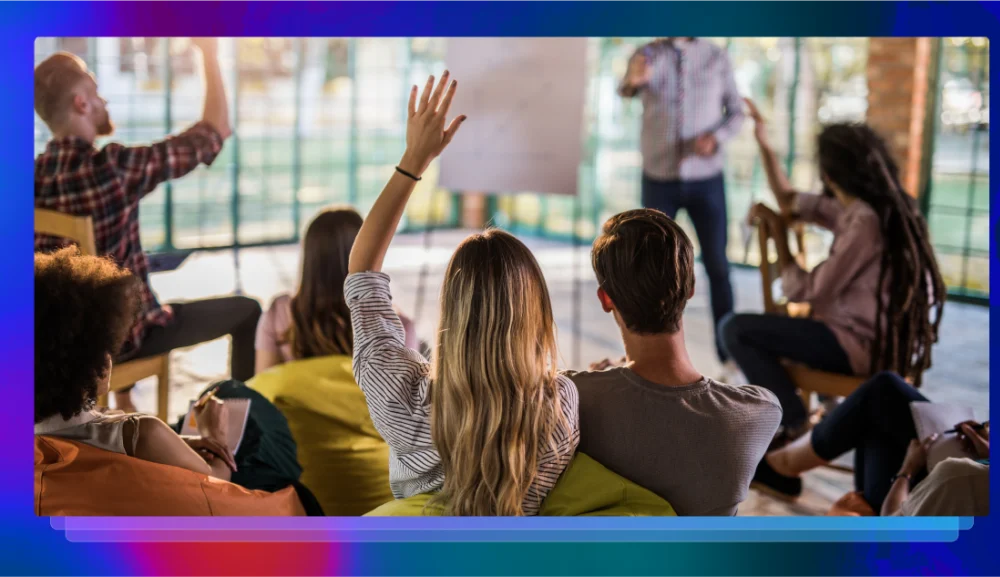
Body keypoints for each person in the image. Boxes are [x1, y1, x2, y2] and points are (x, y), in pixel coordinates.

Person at [346, 72, 580, 516]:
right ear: (538, 313)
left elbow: (362, 271)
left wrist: (413, 160)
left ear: (451, 307)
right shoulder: (559, 403)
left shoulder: (402, 398)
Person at [34, 39, 260, 413]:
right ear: (82, 103)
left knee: (116, 273)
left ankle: (123, 401)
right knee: (247, 311)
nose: (104, 102)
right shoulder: (114, 169)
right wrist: (210, 53)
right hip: (119, 343)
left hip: (55, 347)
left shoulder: (28, 179)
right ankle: (242, 432)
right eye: (96, 92)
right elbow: (215, 131)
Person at [719, 99, 946, 438]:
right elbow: (789, 199)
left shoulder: (864, 223)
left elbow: (807, 290)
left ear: (828, 174)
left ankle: (794, 421)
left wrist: (781, 241)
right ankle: (818, 416)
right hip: (871, 340)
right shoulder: (875, 209)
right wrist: (764, 143)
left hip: (859, 347)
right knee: (790, 325)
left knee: (735, 329)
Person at [33, 248, 321, 514]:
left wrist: (177, 443)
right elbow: (216, 478)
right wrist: (215, 435)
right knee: (246, 409)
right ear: (103, 367)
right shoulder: (140, 433)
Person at [566, 209, 782, 516]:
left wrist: (599, 377)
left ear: (606, 299)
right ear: (691, 287)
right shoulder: (758, 414)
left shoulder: (575, 399)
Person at [618, 37, 745, 374]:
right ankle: (648, 354)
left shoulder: (717, 57)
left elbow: (737, 112)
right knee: (652, 267)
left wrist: (715, 139)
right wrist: (633, 79)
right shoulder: (646, 53)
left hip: (707, 179)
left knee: (718, 265)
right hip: (658, 177)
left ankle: (728, 355)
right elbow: (625, 90)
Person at [752, 372, 989, 516]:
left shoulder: (958, 476)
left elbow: (893, 531)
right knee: (880, 402)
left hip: (899, 512)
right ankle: (781, 463)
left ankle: (780, 464)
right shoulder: (970, 476)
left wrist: (908, 470)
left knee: (880, 398)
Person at [255, 207, 418, 374]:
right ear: (369, 254)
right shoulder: (397, 326)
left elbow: (263, 390)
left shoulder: (279, 313)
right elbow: (405, 396)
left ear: (309, 258)